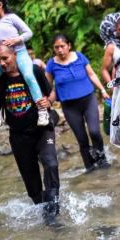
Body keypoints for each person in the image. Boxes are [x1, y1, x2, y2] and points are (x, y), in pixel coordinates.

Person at [0, 44, 61, 226]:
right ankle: (45, 214)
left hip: (42, 129)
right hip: (18, 135)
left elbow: (52, 94)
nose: (2, 63)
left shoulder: (33, 70)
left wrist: (47, 102)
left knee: (51, 164)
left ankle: (54, 210)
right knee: (31, 181)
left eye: (5, 58)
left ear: (15, 55)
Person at [0, 0, 49, 130]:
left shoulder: (11, 18)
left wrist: (16, 39)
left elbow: (28, 32)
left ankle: (42, 110)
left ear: (0, 4)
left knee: (29, 75)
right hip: (3, 58)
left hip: (20, 52)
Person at [45, 34, 111, 172]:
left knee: (94, 131)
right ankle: (90, 167)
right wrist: (47, 101)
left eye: (62, 46)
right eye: (56, 47)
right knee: (81, 138)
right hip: (69, 107)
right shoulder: (52, 64)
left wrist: (103, 90)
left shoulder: (80, 57)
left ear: (69, 46)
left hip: (88, 100)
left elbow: (92, 74)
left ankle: (102, 160)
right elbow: (48, 86)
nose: (60, 50)